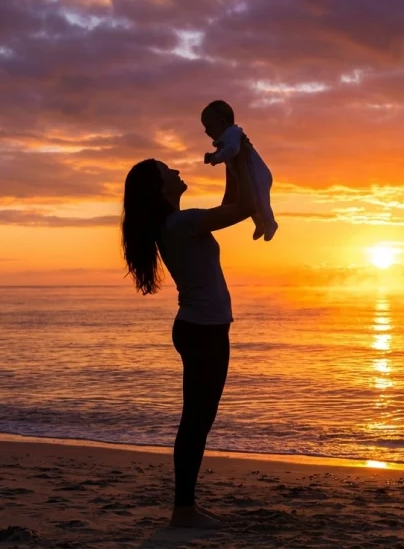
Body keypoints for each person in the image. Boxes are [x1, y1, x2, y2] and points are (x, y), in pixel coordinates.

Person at [120, 136, 257, 528]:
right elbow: (245, 208)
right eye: (168, 171)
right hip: (203, 332)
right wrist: (243, 157)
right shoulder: (180, 224)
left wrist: (232, 158)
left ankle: (185, 507)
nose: (177, 171)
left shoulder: (176, 224)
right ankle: (183, 510)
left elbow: (232, 202)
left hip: (201, 329)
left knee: (198, 419)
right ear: (160, 188)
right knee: (196, 421)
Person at [201, 100, 278, 242]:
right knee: (249, 200)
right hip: (247, 176)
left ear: (222, 123)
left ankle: (270, 223)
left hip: (258, 175)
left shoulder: (233, 134)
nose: (206, 131)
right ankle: (259, 224)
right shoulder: (226, 138)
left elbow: (233, 150)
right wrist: (213, 156)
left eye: (209, 127)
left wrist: (216, 158)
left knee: (261, 201)